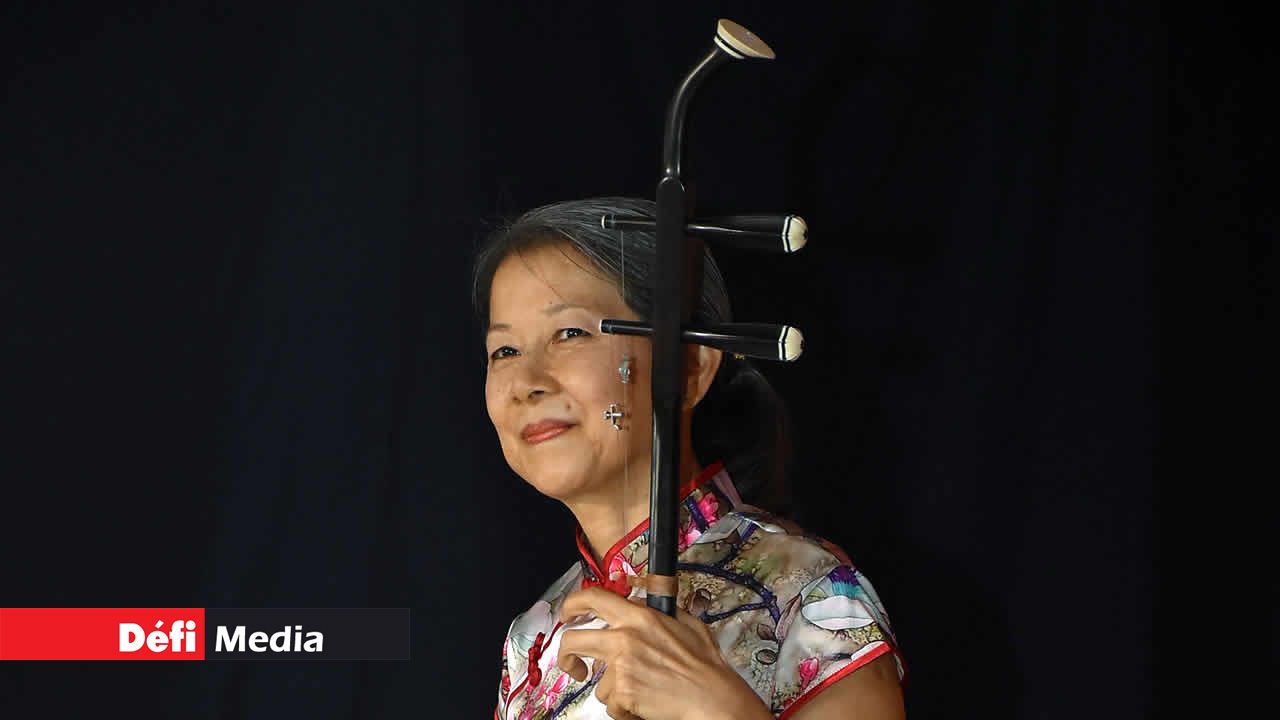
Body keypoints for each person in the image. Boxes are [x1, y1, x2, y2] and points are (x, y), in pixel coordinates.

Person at [474, 198, 906, 720]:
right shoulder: (534, 639)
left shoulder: (808, 591)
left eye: (570, 333)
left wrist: (717, 709)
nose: (526, 383)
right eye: (505, 351)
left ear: (688, 369)